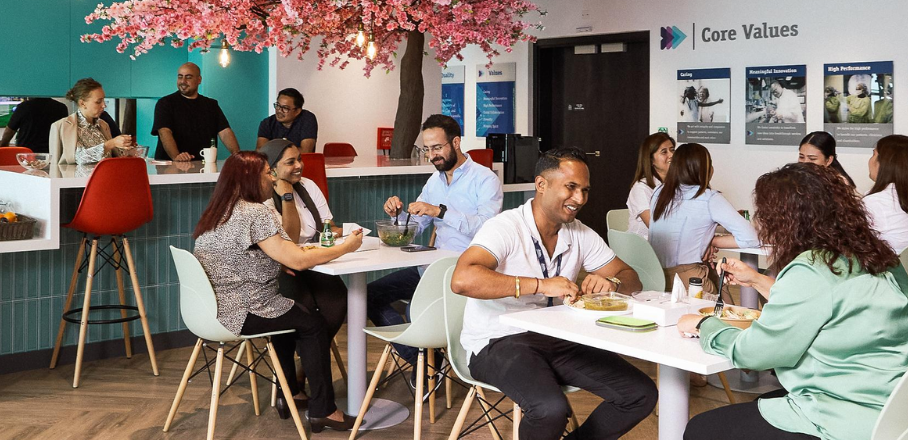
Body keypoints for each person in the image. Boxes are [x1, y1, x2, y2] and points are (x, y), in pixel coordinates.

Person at [679, 163, 908, 440]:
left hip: (850, 417)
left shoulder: (812, 268)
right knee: (766, 403)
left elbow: (756, 353)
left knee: (701, 429)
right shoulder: (879, 256)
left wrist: (707, 326)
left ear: (784, 220)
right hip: (907, 407)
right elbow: (826, 304)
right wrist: (755, 279)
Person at [451, 147, 654, 440]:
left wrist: (612, 283)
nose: (580, 199)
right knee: (550, 409)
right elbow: (462, 279)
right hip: (497, 340)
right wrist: (541, 285)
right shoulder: (506, 227)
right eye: (570, 187)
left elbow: (631, 277)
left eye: (584, 190)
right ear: (541, 184)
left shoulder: (580, 232)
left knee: (640, 393)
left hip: (557, 338)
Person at [192, 150, 364, 432]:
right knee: (313, 324)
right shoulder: (256, 212)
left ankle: (293, 393)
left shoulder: (218, 210)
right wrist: (344, 247)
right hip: (245, 309)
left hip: (212, 309)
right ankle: (324, 410)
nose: (272, 179)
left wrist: (278, 258)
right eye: (267, 174)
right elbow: (296, 259)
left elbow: (244, 254)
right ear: (251, 179)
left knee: (290, 316)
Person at [369, 114, 502, 362]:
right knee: (368, 295)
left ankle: (426, 367)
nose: (432, 156)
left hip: (466, 271)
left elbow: (488, 229)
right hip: (433, 269)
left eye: (438, 147)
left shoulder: (485, 179)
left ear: (456, 142)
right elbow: (415, 228)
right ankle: (426, 362)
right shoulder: (434, 181)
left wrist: (440, 211)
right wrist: (398, 217)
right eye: (428, 149)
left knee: (413, 310)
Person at [257, 139, 348, 338]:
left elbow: (328, 227)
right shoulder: (262, 196)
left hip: (311, 261)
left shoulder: (308, 185)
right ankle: (300, 361)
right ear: (271, 169)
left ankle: (309, 362)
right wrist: (287, 197)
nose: (299, 166)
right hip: (281, 267)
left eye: (299, 159)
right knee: (301, 308)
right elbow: (287, 241)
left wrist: (348, 232)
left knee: (338, 301)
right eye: (290, 162)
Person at [648, 143, 759, 295]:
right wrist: (711, 241)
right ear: (704, 169)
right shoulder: (709, 198)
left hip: (654, 277)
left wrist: (705, 239)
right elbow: (751, 238)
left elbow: (687, 224)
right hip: (689, 280)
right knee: (727, 311)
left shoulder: (659, 192)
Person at [153, 62, 241, 162]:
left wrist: (238, 156)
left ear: (199, 80)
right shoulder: (165, 103)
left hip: (204, 166)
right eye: (180, 76)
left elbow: (225, 132)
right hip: (170, 167)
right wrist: (176, 157)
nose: (183, 81)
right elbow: (164, 132)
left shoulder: (211, 105)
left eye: (188, 77)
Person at [49, 78, 135, 165]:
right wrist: (111, 143)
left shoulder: (103, 125)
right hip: (77, 178)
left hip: (107, 177)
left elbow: (111, 156)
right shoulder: (62, 126)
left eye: (103, 100)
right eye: (98, 102)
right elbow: (79, 158)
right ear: (82, 103)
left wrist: (128, 149)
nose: (104, 105)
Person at [626, 132, 674, 238]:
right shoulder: (640, 188)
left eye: (672, 150)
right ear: (651, 160)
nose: (671, 155)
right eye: (664, 152)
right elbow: (655, 227)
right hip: (644, 248)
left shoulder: (677, 184)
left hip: (667, 244)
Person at [0, 97, 69, 153]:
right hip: (52, 152)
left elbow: (10, 130)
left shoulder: (24, 107)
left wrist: (4, 144)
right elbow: (65, 131)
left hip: (26, 152)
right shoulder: (61, 108)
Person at [257, 88, 319, 153]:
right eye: (278, 105)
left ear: (297, 111)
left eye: (285, 108)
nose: (279, 110)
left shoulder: (307, 119)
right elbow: (261, 151)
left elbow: (306, 152)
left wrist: (274, 152)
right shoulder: (267, 123)